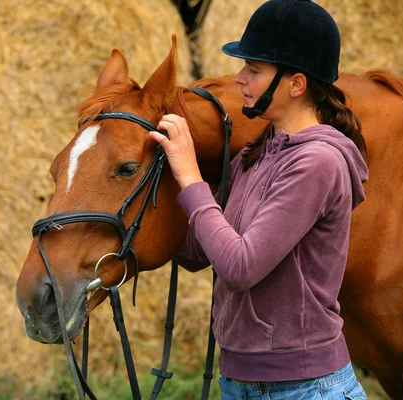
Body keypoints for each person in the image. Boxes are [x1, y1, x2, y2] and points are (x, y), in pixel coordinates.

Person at [148, 0, 369, 398]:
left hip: (305, 389)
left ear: (296, 84)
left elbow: (240, 266)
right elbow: (199, 250)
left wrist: (190, 175)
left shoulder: (318, 162)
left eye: (254, 69)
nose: (239, 78)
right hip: (239, 383)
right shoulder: (258, 151)